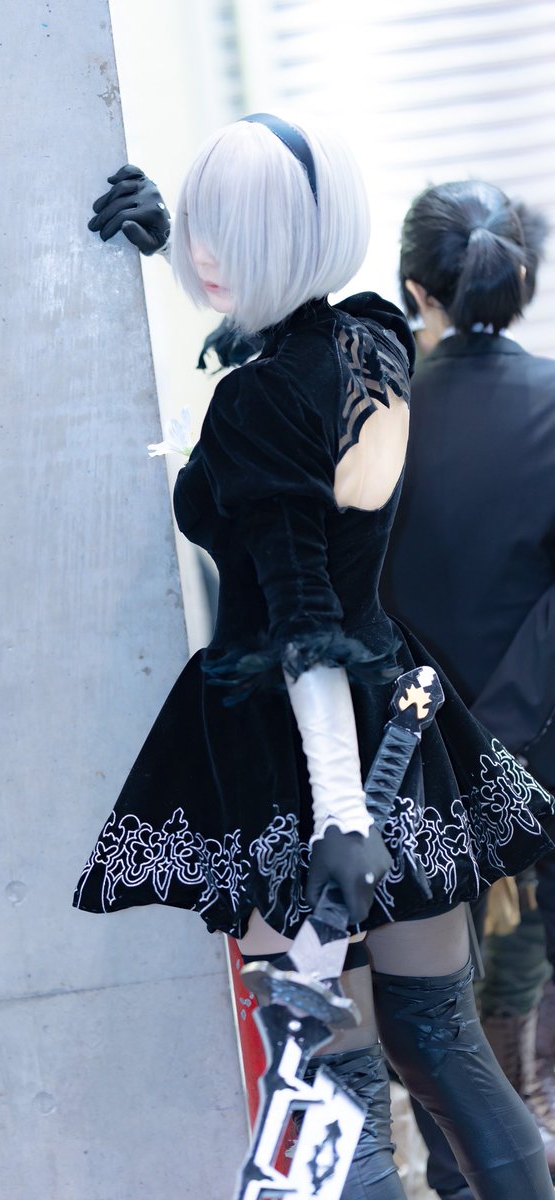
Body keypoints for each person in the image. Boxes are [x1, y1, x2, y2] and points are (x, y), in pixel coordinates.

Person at [74, 115, 555, 1198]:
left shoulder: (254, 407)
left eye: (225, 232)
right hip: (398, 723)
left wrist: (339, 816)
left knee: (332, 1092)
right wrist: (167, 256)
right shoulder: (373, 337)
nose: (207, 251)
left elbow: (303, 624)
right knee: (444, 1049)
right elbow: (288, 360)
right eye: (201, 226)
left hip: (295, 755)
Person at [380, 179, 555, 1199]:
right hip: (542, 743)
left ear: (417, 288)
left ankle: (462, 1181)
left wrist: (449, 730)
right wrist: (510, 725)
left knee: (438, 1013)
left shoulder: (374, 416)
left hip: (416, 754)